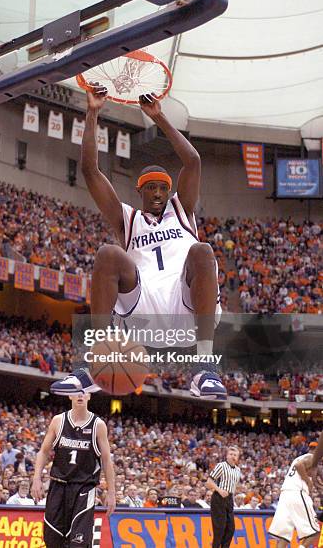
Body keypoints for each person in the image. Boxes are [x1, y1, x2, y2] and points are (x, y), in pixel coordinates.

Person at [52, 86, 225, 401]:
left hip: (185, 304)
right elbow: (90, 172)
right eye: (151, 188)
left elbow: (193, 162)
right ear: (140, 191)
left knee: (202, 251)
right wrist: (92, 113)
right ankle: (95, 361)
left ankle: (204, 367)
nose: (158, 193)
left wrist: (159, 118)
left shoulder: (182, 210)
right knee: (108, 253)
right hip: (142, 306)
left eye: (163, 187)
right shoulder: (127, 219)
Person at [31, 393, 115, 548]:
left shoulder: (98, 425)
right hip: (58, 486)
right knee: (52, 540)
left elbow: (106, 460)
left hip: (83, 488)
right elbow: (43, 452)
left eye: (84, 391)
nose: (80, 395)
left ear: (89, 395)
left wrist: (111, 492)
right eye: (76, 391)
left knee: (79, 542)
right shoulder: (58, 421)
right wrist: (36, 479)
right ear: (70, 395)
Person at [268, 443, 320, 548]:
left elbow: (308, 472)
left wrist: (316, 484)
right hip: (297, 492)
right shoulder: (311, 456)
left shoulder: (298, 458)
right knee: (315, 531)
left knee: (284, 536)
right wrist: (308, 482)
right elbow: (299, 466)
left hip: (285, 495)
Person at [206, 446, 241, 548]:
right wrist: (219, 490)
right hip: (218, 498)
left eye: (235, 455)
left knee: (231, 529)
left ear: (237, 458)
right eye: (231, 454)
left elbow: (233, 486)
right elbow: (209, 482)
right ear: (226, 456)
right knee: (219, 529)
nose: (232, 456)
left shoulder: (238, 470)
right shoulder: (221, 466)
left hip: (229, 499)